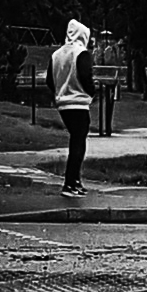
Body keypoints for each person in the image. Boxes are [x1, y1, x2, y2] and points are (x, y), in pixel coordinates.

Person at [46, 19, 95, 199]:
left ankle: (75, 181)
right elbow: (85, 75)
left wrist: (60, 91)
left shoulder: (56, 55)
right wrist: (91, 91)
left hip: (63, 103)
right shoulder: (82, 53)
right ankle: (70, 182)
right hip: (79, 102)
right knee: (78, 143)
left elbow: (49, 81)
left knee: (75, 139)